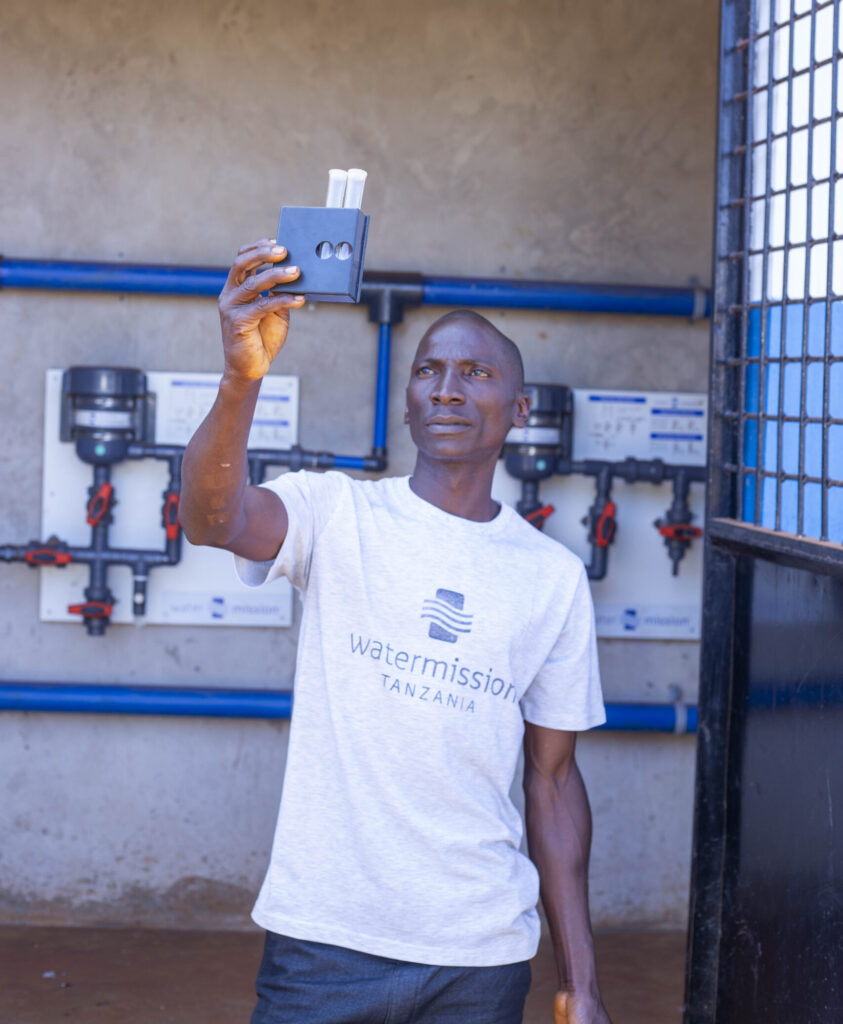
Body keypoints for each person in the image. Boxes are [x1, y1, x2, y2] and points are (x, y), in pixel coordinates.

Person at [180, 239, 614, 1024]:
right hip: (324, 946)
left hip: (480, 954)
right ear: (407, 401)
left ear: (520, 409)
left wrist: (578, 981)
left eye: (475, 373)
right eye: (427, 371)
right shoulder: (335, 514)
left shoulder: (549, 577)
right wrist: (241, 378)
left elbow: (552, 781)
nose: (447, 390)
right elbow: (214, 520)